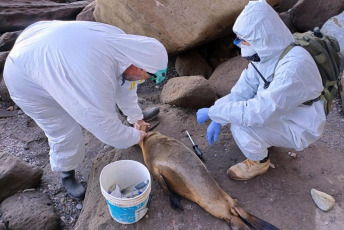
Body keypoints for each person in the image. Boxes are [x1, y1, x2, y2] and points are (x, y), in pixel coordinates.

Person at [3, 20, 168, 199]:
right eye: (148, 75)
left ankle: (134, 117)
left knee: (112, 86)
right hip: (26, 76)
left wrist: (136, 118)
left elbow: (126, 84)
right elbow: (104, 128)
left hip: (47, 46)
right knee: (63, 130)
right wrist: (136, 137)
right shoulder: (95, 73)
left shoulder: (123, 45)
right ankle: (66, 172)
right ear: (138, 64)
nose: (146, 80)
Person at [197, 0, 325, 181]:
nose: (240, 44)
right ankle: (266, 138)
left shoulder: (294, 67)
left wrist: (214, 112)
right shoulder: (268, 56)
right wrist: (218, 114)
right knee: (241, 111)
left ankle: (259, 162)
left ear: (262, 37)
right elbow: (241, 91)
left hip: (301, 124)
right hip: (284, 112)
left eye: (245, 39)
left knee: (241, 125)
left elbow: (259, 113)